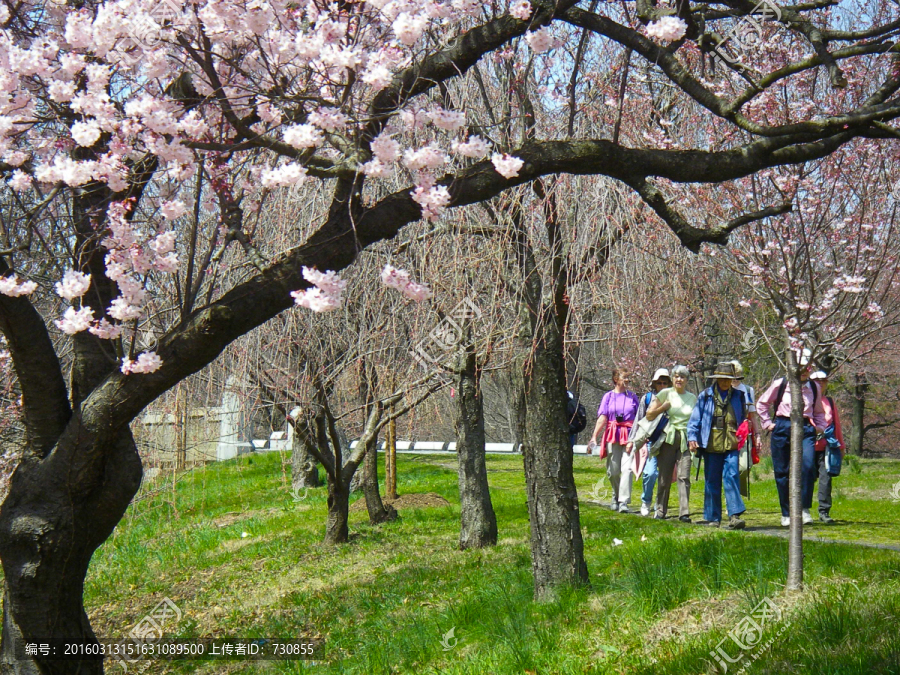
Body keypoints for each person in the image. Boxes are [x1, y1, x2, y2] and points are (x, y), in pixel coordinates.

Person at [756, 353, 827, 527]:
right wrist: (768, 424)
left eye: (807, 367)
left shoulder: (814, 386)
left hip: (805, 427)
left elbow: (819, 411)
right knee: (782, 472)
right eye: (801, 367)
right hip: (782, 426)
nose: (804, 371)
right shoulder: (781, 384)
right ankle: (786, 512)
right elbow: (762, 404)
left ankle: (803, 509)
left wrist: (820, 427)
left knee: (808, 466)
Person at [686, 361, 749, 530]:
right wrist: (692, 437)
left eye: (728, 379)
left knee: (732, 475)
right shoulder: (705, 396)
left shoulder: (738, 396)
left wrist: (746, 431)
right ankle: (713, 517)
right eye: (722, 378)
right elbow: (695, 419)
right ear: (717, 379)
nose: (725, 382)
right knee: (712, 480)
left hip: (731, 442)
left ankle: (734, 515)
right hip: (711, 443)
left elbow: (743, 418)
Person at [645, 365, 696, 522]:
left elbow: (696, 421)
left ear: (687, 380)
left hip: (685, 440)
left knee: (684, 476)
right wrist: (663, 407)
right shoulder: (664, 393)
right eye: (676, 376)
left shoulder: (693, 398)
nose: (679, 379)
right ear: (672, 379)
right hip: (667, 438)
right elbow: (648, 415)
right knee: (664, 477)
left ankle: (684, 512)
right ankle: (660, 509)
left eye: (682, 377)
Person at [589, 368, 639, 513]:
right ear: (616, 379)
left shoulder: (633, 397)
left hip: (629, 436)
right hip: (613, 435)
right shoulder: (608, 397)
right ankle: (615, 495)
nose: (627, 381)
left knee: (627, 469)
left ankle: (623, 501)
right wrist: (594, 436)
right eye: (624, 377)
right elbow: (603, 418)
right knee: (613, 471)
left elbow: (638, 419)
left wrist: (637, 438)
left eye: (628, 378)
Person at [627, 368, 672, 517]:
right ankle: (646, 500)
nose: (662, 385)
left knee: (665, 477)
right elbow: (638, 420)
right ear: (654, 383)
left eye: (665, 382)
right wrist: (632, 440)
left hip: (667, 441)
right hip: (650, 441)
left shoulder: (674, 398)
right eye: (659, 382)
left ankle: (659, 507)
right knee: (650, 473)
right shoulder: (647, 398)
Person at [809, 371, 845, 524]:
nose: (820, 383)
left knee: (826, 479)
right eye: (817, 381)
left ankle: (824, 511)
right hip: (808, 446)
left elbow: (836, 425)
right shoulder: (805, 400)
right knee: (806, 480)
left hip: (826, 448)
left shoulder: (829, 401)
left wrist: (841, 446)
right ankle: (802, 510)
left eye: (823, 381)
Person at [730, 360, 761, 499]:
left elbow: (752, 414)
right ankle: (732, 498)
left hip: (745, 434)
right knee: (730, 467)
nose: (735, 379)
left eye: (738, 375)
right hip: (728, 433)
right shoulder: (724, 390)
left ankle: (737, 493)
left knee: (744, 466)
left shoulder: (748, 391)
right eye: (733, 376)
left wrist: (758, 434)